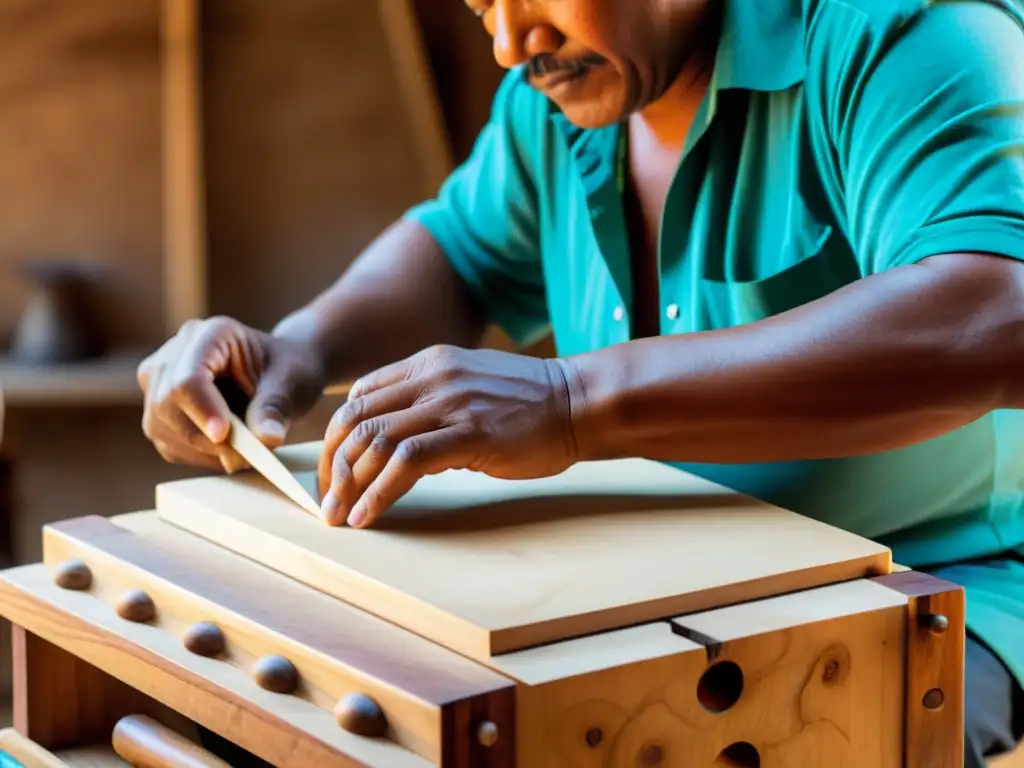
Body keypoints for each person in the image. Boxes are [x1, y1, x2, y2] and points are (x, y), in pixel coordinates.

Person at [138, 0, 1024, 762]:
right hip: (650, 586)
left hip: (939, 580)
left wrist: (570, 401)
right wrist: (301, 345)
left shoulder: (904, 33)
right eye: (484, 7)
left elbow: (995, 315)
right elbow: (459, 255)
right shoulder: (560, 99)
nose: (512, 43)